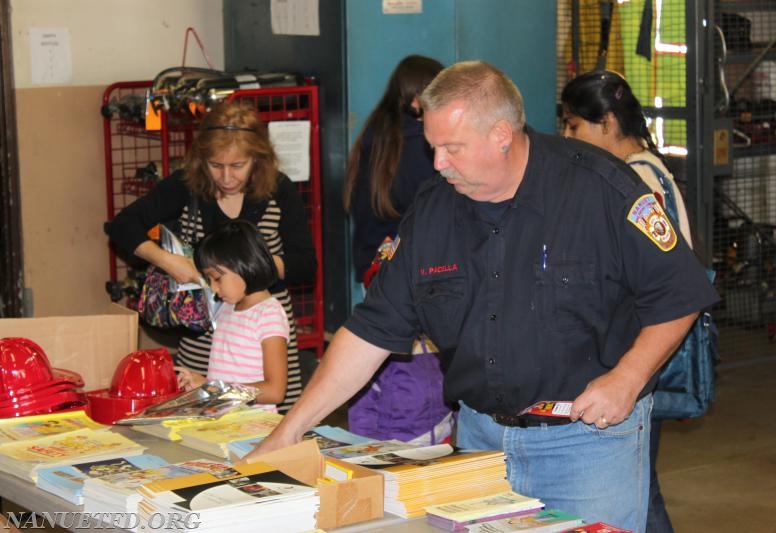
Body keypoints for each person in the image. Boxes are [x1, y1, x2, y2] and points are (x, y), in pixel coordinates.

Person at [245, 60, 718, 532]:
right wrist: (289, 430)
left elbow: (680, 291)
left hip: (586, 446)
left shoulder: (601, 190)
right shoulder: (433, 210)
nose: (438, 163)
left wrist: (628, 377)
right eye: (433, 147)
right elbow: (370, 332)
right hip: (480, 444)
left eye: (452, 148)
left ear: (502, 134)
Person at [105, 100, 316, 413]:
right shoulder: (186, 186)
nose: (227, 177)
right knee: (205, 413)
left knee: (273, 422)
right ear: (202, 160)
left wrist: (247, 269)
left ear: (258, 159)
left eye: (238, 166)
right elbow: (122, 226)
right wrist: (169, 261)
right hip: (206, 332)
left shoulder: (279, 190)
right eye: (216, 166)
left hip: (262, 332)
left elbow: (304, 264)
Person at [561, 69, 692, 533]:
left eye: (574, 126)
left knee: (639, 488)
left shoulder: (632, 181)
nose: (567, 137)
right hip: (636, 348)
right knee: (642, 482)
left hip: (638, 351)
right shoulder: (647, 169)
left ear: (608, 123)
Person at [343, 54, 453, 444]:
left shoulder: (374, 133)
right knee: (419, 372)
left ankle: (377, 441)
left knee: (377, 375)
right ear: (416, 101)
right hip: (412, 276)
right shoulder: (421, 146)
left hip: (372, 271)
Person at [175, 220, 288, 408]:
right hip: (223, 420)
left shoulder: (269, 314)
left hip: (253, 427)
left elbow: (275, 391)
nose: (213, 287)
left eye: (217, 278)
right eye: (209, 280)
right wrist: (204, 389)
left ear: (245, 264)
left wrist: (215, 390)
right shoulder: (227, 308)